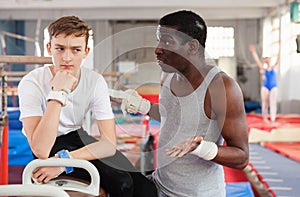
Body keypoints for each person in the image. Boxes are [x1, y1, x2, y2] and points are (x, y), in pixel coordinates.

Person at [112, 10, 249, 197]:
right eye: (159, 40)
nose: (158, 49)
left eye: (167, 41)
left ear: (192, 47)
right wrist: (140, 105)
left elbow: (241, 157)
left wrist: (201, 148)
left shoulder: (221, 87)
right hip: (160, 185)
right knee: (108, 170)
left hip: (197, 194)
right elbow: (171, 115)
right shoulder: (167, 75)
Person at [18, 16, 157, 197]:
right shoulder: (32, 82)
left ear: (86, 51)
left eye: (75, 50)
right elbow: (40, 149)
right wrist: (58, 92)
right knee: (118, 185)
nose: (67, 57)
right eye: (60, 49)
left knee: (145, 189)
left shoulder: (94, 80)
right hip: (47, 142)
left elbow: (108, 144)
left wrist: (64, 161)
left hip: (77, 138)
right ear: (49, 48)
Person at [249, 44, 280, 123]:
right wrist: (253, 52)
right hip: (265, 86)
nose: (266, 60)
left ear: (269, 59)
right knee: (265, 103)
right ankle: (265, 118)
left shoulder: (274, 67)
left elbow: (278, 58)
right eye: (265, 59)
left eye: (267, 58)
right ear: (265, 61)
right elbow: (257, 61)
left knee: (272, 103)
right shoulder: (263, 69)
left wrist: (280, 46)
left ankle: (273, 119)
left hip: (273, 86)